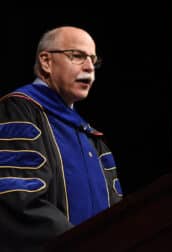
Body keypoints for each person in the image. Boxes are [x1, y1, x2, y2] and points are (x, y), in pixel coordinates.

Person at [0, 26, 123, 251]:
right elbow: (19, 198)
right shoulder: (19, 112)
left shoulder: (90, 136)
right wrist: (82, 244)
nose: (89, 68)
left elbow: (117, 211)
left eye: (93, 60)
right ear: (46, 61)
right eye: (77, 56)